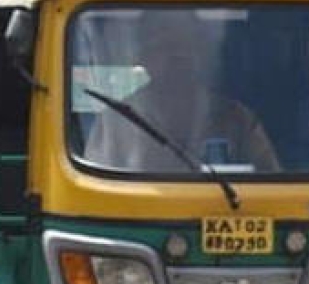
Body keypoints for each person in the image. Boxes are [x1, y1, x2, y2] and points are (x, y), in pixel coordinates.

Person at [82, 9, 280, 173]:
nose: (175, 57)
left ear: (201, 54)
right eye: (162, 47)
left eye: (184, 45)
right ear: (143, 57)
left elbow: (270, 183)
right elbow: (94, 184)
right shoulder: (117, 121)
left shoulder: (236, 119)